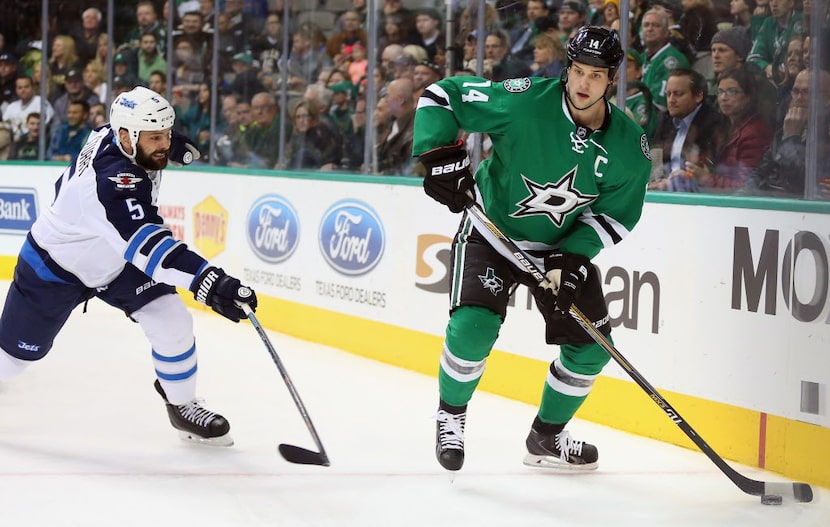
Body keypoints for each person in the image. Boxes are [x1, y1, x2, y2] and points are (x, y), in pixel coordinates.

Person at [412, 26, 650, 472]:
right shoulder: (524, 101)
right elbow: (443, 95)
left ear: (611, 79)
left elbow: (616, 215)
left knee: (592, 348)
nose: (583, 84)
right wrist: (440, 154)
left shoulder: (629, 148)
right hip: (493, 232)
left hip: (557, 252)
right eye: (577, 71)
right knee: (472, 326)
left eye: (595, 76)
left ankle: (546, 438)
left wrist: (572, 258)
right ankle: (451, 416)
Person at [0, 86, 258, 447]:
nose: (165, 144)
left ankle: (181, 405)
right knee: (12, 362)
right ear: (126, 136)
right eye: (156, 137)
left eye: (166, 134)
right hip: (53, 268)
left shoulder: (119, 133)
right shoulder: (110, 182)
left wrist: (170, 141)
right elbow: (151, 249)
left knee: (171, 318)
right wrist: (209, 281)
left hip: (113, 260)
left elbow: (146, 138)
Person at [685, 67, 773, 190]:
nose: (723, 98)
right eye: (720, 92)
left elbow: (746, 187)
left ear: (749, 96)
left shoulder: (755, 133)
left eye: (732, 92)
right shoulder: (725, 125)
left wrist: (706, 179)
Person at [650, 68, 728, 191]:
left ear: (698, 96)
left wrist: (671, 185)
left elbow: (709, 173)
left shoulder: (714, 124)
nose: (671, 100)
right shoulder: (666, 120)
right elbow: (654, 160)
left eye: (678, 94)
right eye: (668, 94)